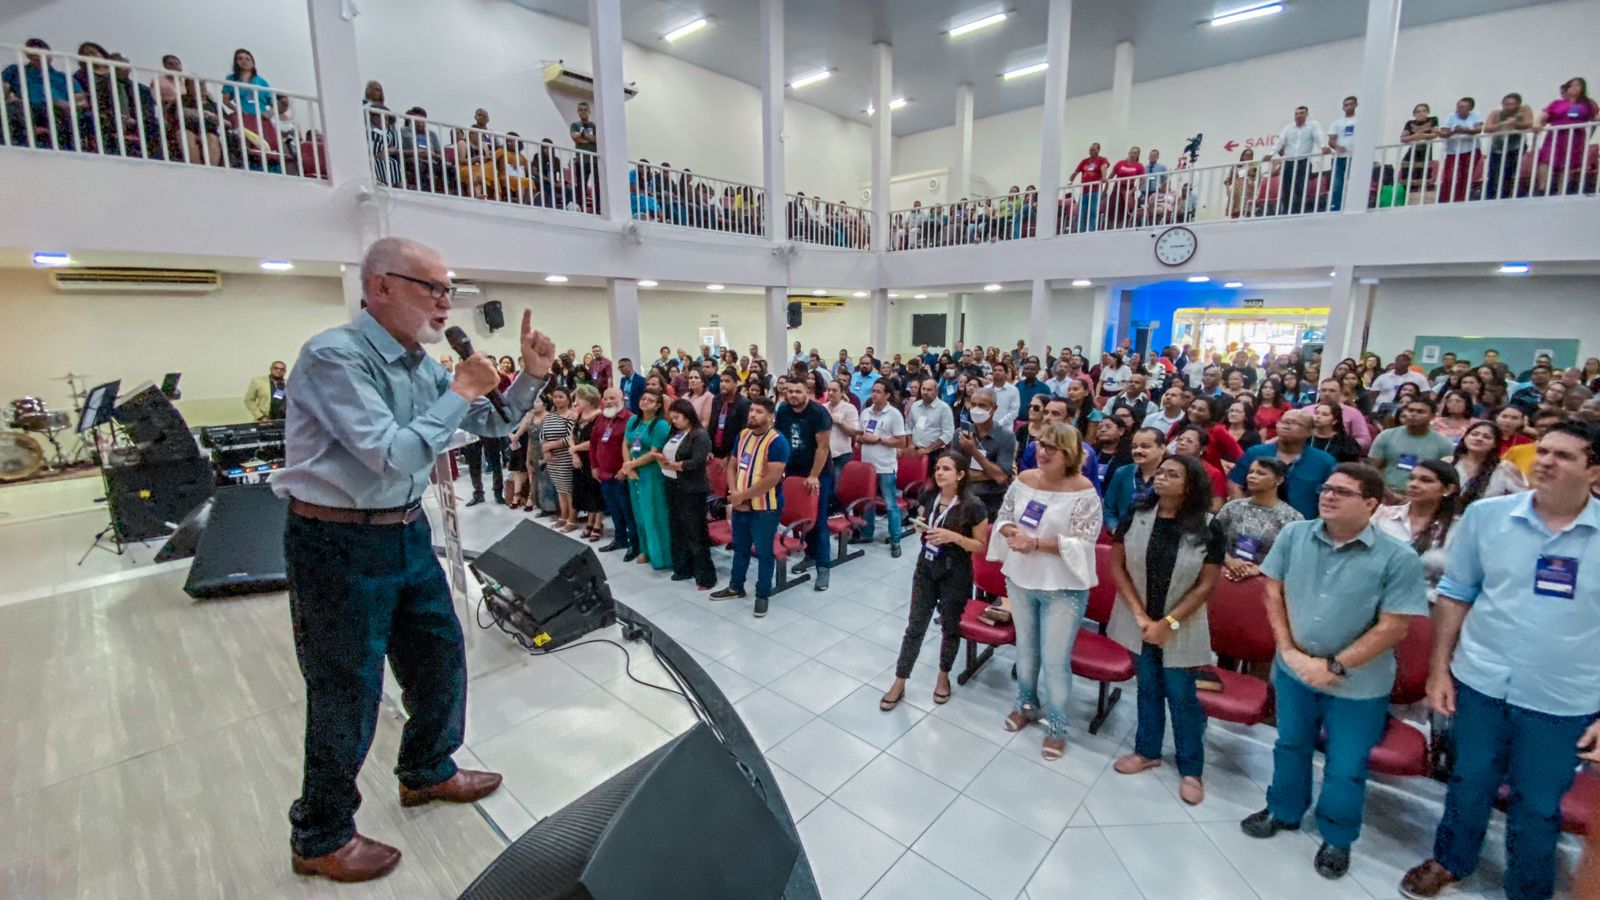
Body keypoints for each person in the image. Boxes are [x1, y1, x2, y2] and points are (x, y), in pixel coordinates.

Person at [273, 237, 553, 882]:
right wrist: (457, 387)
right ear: (381, 287)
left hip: (403, 529)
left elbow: (487, 423)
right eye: (432, 287)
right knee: (349, 687)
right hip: (336, 542)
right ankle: (320, 832)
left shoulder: (415, 361)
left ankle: (427, 769)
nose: (445, 302)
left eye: (448, 289)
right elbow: (393, 454)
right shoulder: (334, 357)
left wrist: (531, 377)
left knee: (437, 655)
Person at [1399, 423, 1600, 900]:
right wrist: (1438, 670)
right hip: (1481, 679)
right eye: (1543, 451)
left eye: (1564, 456)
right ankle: (1451, 859)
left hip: (1562, 697)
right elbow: (1454, 596)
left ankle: (1527, 886)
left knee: (1538, 803)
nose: (1546, 461)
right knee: (1469, 779)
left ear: (1594, 470)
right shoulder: (1488, 517)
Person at [1240, 463, 1429, 880]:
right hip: (1293, 667)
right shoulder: (1294, 534)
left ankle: (1337, 838)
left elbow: (1394, 625)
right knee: (1290, 745)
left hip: (1357, 682)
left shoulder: (1397, 557)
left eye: (1342, 492)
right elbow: (1273, 590)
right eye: (1327, 488)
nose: (1328, 495)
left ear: (1372, 504)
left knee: (1346, 765)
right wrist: (1289, 651)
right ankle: (1284, 810)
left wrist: (1335, 665)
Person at [1108, 453, 1222, 805]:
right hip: (1139, 618)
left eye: (1172, 475)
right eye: (1160, 472)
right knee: (1147, 688)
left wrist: (1167, 623)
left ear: (1190, 485)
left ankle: (1191, 768)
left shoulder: (1208, 525)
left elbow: (1206, 585)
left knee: (1183, 696)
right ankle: (1147, 751)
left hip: (1180, 623)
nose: (1161, 478)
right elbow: (1118, 566)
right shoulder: (1138, 515)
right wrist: (1143, 618)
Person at [987, 423, 1103, 760]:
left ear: (1071, 454)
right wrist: (1010, 531)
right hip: (1021, 578)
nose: (1044, 452)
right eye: (1041, 444)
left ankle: (1057, 726)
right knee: (1025, 651)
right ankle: (1026, 704)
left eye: (1054, 447)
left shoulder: (1084, 491)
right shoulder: (1024, 480)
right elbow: (1005, 515)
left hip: (1062, 587)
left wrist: (1035, 542)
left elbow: (1085, 541)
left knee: (1054, 661)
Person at [881, 450, 991, 710]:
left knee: (950, 626)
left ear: (961, 475)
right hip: (926, 566)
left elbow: (979, 546)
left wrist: (953, 537)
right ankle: (900, 679)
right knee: (915, 625)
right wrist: (921, 524)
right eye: (938, 468)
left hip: (956, 571)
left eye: (947, 469)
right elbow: (925, 517)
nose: (940, 473)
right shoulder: (929, 495)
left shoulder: (974, 505)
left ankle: (943, 676)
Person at [711, 396, 791, 616]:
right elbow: (732, 466)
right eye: (752, 410)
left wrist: (743, 497)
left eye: (759, 412)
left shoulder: (777, 442)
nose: (753, 415)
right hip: (740, 503)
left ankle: (762, 594)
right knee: (740, 548)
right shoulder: (743, 435)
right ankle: (736, 587)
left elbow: (771, 479)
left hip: (766, 507)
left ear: (770, 417)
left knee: (764, 552)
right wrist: (734, 494)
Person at [1370, 459, 1460, 601]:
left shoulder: (1457, 529)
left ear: (1447, 489)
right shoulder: (1383, 516)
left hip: (1426, 603)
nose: (1414, 485)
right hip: (1374, 595)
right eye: (1411, 478)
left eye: (1426, 481)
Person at [1228, 409, 1336, 519]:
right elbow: (1235, 483)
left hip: (1303, 526)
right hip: (1255, 522)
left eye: (1294, 423)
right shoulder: (1256, 453)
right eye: (1283, 422)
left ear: (1310, 431)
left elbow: (1333, 496)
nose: (1286, 426)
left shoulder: (1324, 461)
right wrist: (1241, 512)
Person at [656, 398, 716, 589]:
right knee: (677, 528)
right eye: (672, 418)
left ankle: (705, 576)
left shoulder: (699, 435)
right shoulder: (675, 433)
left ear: (688, 416)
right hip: (672, 484)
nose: (675, 421)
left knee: (695, 532)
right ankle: (683, 567)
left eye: (678, 417)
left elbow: (697, 462)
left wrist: (675, 465)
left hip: (691, 489)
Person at [1215, 457, 1303, 582]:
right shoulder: (1233, 507)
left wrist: (1261, 569)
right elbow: (1212, 540)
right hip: (1224, 575)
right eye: (1251, 472)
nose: (1252, 476)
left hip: (1266, 581)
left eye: (1260, 473)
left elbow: (1294, 559)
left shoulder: (1292, 518)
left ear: (1278, 480)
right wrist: (1229, 561)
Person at [851, 380, 909, 556]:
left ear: (887, 395)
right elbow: (860, 434)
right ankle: (867, 533)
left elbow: (901, 441)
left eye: (878, 392)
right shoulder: (866, 412)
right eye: (873, 391)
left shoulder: (894, 415)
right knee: (868, 502)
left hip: (885, 467)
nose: (874, 394)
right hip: (867, 466)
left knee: (890, 504)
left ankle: (895, 539)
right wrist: (860, 440)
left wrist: (879, 440)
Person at [621, 388, 672, 570]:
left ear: (658, 405)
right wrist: (628, 466)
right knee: (639, 513)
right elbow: (625, 444)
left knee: (653, 513)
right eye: (643, 399)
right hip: (634, 472)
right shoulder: (634, 420)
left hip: (651, 473)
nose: (644, 402)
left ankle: (661, 555)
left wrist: (631, 466)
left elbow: (654, 452)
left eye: (650, 400)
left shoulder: (661, 425)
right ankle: (645, 550)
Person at [1368, 396, 1457, 498]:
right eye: (1410, 410)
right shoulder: (1387, 435)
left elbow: (1447, 478)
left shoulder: (1443, 444)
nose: (1413, 414)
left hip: (1424, 497)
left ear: (1432, 417)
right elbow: (1373, 469)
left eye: (1420, 412)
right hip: (1387, 493)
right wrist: (1389, 493)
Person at [957, 388, 1017, 521]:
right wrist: (989, 474)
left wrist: (973, 451)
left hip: (992, 499)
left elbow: (1001, 478)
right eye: (973, 405)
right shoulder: (960, 434)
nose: (976, 409)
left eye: (982, 405)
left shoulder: (1006, 436)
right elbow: (954, 471)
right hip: (964, 497)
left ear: (994, 408)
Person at [1535, 77, 1599, 196]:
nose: (1574, 88)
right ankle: (1542, 188)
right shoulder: (1557, 103)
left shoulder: (1587, 103)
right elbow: (1544, 115)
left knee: (1568, 163)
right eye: (1571, 85)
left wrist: (1590, 135)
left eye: (1578, 85)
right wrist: (1537, 123)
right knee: (1546, 159)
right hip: (1556, 135)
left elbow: (1595, 118)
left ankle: (1561, 190)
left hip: (1575, 136)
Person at [592, 387, 636, 557]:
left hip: (621, 474)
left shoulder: (630, 419)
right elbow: (594, 444)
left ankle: (634, 543)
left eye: (612, 398)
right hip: (604, 474)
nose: (609, 401)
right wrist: (594, 466)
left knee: (627, 510)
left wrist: (625, 469)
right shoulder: (602, 419)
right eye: (606, 398)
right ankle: (620, 539)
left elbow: (633, 448)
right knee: (614, 509)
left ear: (622, 399)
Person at [1267, 104, 1329, 216]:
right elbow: (1280, 141)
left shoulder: (1312, 126)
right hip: (1288, 162)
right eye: (1296, 113)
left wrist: (1323, 146)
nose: (1298, 116)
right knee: (1286, 188)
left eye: (1301, 113)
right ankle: (1286, 211)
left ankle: (1300, 211)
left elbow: (1319, 136)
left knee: (1300, 188)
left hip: (1303, 161)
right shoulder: (1288, 128)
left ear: (1306, 114)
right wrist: (1271, 154)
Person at [1452, 419, 1528, 507]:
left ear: (1495, 444)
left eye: (1487, 437)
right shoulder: (1450, 462)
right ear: (1465, 437)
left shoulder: (1505, 468)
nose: (1479, 439)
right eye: (1474, 434)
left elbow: (1522, 499)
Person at [1104, 427, 1166, 532]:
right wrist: (1116, 529)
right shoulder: (1122, 473)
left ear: (1162, 448)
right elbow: (1109, 509)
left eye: (1145, 446)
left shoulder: (1170, 476)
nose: (1137, 451)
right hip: (1122, 537)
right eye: (1134, 447)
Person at [567, 384, 605, 541]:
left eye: (578, 399)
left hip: (593, 458)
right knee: (586, 492)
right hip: (579, 459)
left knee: (596, 491)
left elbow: (594, 441)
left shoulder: (599, 417)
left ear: (588, 399)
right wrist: (574, 453)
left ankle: (597, 524)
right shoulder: (579, 416)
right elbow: (571, 434)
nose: (576, 403)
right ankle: (590, 521)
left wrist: (575, 448)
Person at [1483, 92, 1535, 201]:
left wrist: (1515, 124)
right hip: (1497, 148)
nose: (1509, 107)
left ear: (1518, 104)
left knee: (1510, 173)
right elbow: (1487, 128)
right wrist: (1503, 124)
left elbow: (1529, 123)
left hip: (1515, 147)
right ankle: (1491, 197)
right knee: (1493, 173)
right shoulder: (1496, 113)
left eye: (1512, 104)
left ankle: (1508, 196)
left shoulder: (1524, 110)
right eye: (1506, 104)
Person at [907, 377, 955, 480]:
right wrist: (910, 443)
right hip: (915, 451)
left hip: (934, 454)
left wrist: (928, 449)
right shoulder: (915, 406)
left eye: (929, 390)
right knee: (913, 480)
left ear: (936, 391)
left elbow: (948, 434)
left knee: (931, 483)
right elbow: (909, 427)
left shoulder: (944, 408)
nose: (925, 392)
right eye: (923, 389)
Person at [1068, 143, 1111, 231]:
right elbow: (1075, 172)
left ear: (1098, 150)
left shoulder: (1102, 160)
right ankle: (1081, 230)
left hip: (1095, 191)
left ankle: (1091, 230)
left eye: (1093, 149)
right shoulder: (1085, 161)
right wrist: (1070, 181)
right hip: (1084, 191)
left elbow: (1104, 167)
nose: (1091, 151)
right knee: (1081, 212)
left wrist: (1104, 177)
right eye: (1090, 149)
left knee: (1093, 212)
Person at [708, 367, 749, 459]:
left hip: (733, 452)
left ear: (736, 383)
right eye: (721, 381)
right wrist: (709, 449)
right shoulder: (717, 399)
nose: (723, 384)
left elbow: (743, 432)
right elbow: (711, 425)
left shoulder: (744, 403)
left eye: (727, 381)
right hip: (715, 451)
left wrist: (732, 455)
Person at [1327, 95, 1359, 211]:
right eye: (1346, 105)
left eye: (1351, 104)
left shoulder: (1361, 120)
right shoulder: (1337, 123)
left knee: (1356, 182)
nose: (1349, 107)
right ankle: (1335, 206)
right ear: (1343, 107)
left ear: (1356, 105)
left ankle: (1355, 205)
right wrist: (1337, 147)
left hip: (1356, 157)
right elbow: (1331, 140)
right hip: (1340, 157)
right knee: (1337, 183)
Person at [1307, 398, 1362, 463]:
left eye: (1325, 414)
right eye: (1316, 413)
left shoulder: (1346, 444)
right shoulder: (1304, 437)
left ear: (1334, 421)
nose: (1318, 416)